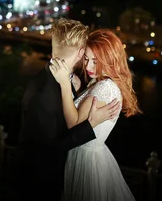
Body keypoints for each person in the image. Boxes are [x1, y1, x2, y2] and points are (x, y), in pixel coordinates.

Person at [18, 19, 121, 201]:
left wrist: (73, 87)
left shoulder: (48, 80)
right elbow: (51, 149)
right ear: (81, 52)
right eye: (87, 58)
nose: (88, 65)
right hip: (42, 183)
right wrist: (91, 125)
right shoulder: (46, 91)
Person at [51, 28, 142, 201]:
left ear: (110, 59)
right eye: (86, 59)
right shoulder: (100, 82)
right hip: (90, 155)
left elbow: (74, 123)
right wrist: (77, 89)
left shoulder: (105, 87)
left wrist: (64, 83)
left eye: (95, 61)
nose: (88, 66)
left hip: (86, 160)